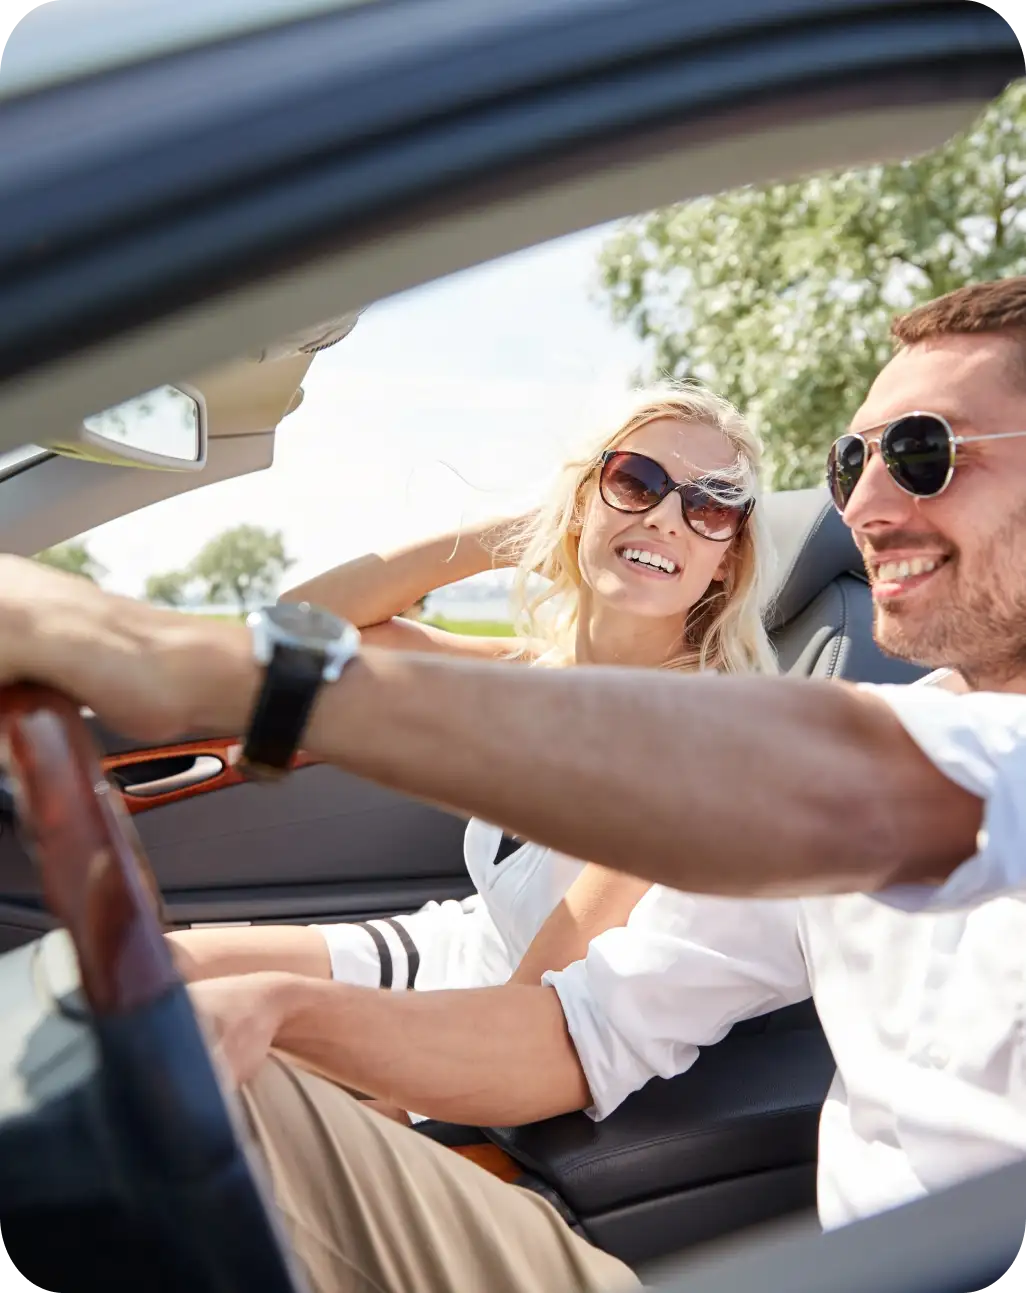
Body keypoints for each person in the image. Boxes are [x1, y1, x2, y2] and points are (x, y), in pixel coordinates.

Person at [3, 278, 1026, 1293]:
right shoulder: (896, 730)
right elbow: (577, 1031)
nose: (863, 507)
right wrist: (286, 1013)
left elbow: (835, 786)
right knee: (143, 1034)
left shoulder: (815, 757)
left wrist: (176, 656)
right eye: (855, 462)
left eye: (927, 454)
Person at [167, 386, 777, 1122]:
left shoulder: (689, 740)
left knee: (209, 1087)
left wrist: (377, 1116)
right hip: (450, 951)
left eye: (709, 505)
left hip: (499, 1029)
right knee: (154, 971)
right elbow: (294, 625)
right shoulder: (532, 675)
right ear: (585, 498)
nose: (663, 516)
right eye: (635, 481)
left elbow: (530, 1010)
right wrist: (526, 529)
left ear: (726, 560)